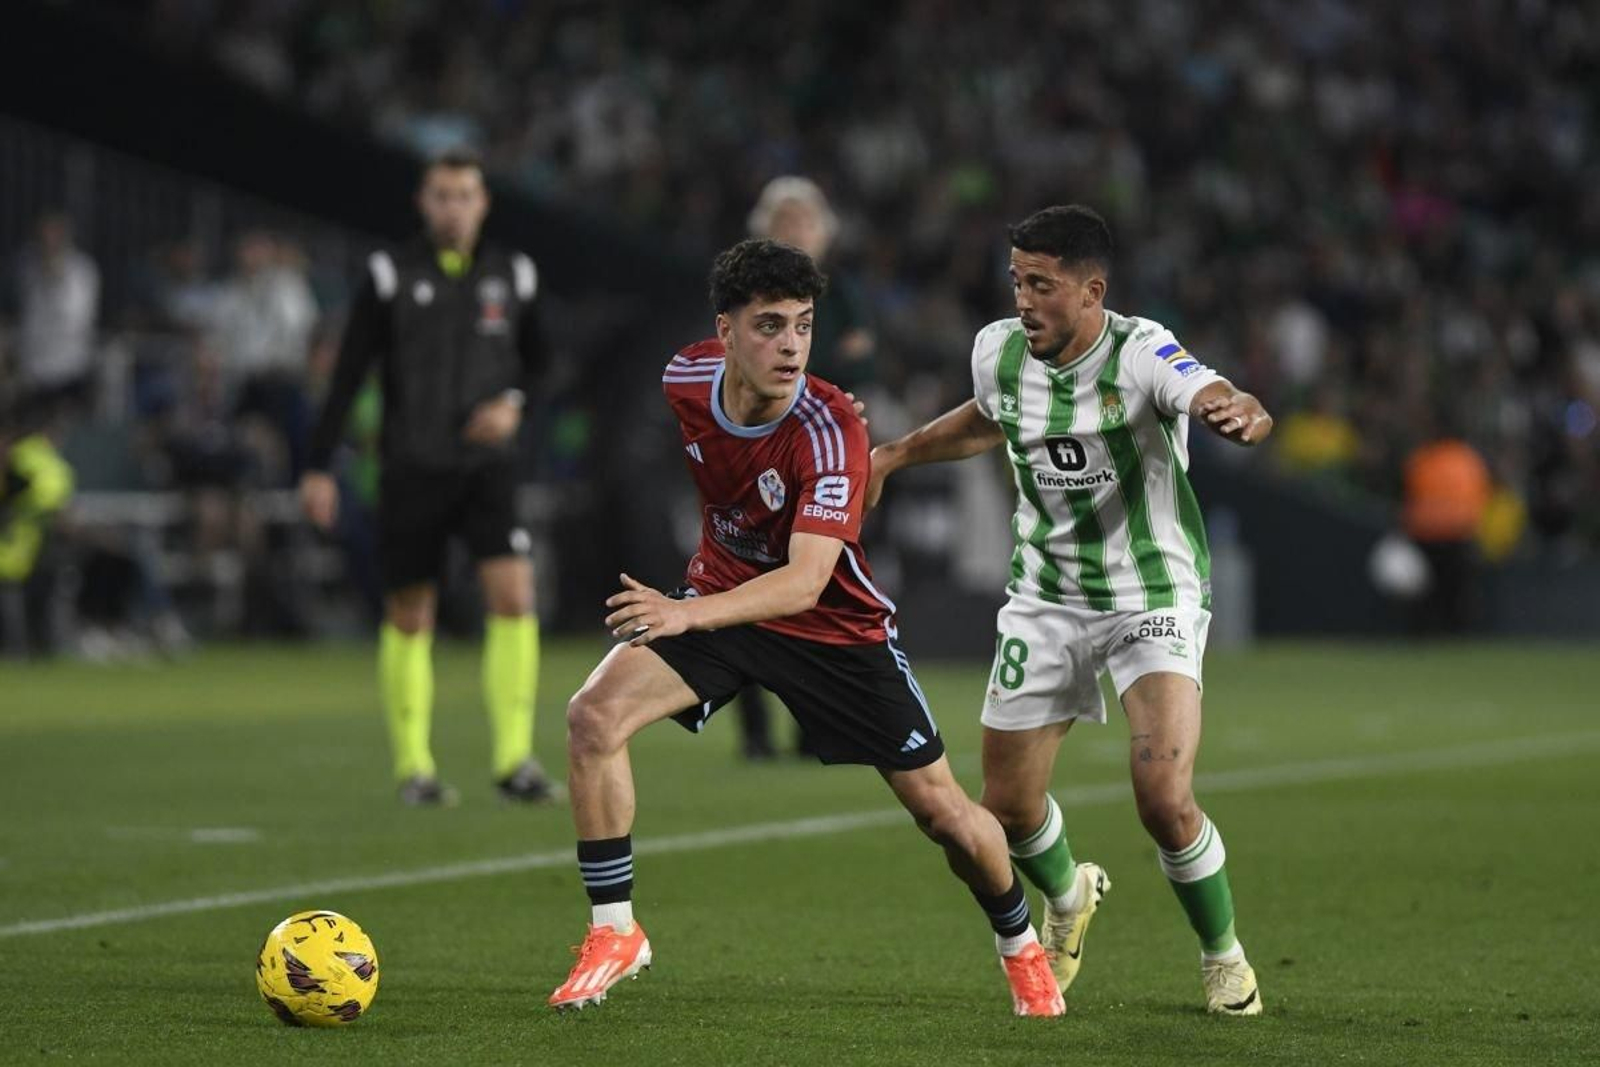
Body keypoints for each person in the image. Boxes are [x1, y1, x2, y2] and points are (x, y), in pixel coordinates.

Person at [547, 239, 1065, 1017]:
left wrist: (683, 610)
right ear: (725, 331)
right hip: (726, 602)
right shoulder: (684, 376)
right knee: (592, 716)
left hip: (833, 632)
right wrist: (697, 600)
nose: (790, 345)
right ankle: (615, 930)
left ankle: (1021, 944)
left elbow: (805, 581)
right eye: (769, 326)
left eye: (803, 325)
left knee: (946, 815)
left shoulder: (831, 431)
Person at [867, 205, 1274, 1016]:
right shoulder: (998, 350)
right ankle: (1067, 897)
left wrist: (1243, 409)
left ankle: (1222, 954)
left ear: (1093, 292)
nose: (1024, 299)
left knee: (1162, 794)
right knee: (1007, 807)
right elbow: (989, 418)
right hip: (1045, 597)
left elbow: (1210, 388)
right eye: (1017, 280)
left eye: (1043, 284)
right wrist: (898, 452)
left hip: (1150, 594)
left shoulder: (1140, 350)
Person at [300, 149, 555, 806]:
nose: (453, 207)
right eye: (441, 195)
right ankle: (414, 767)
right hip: (412, 466)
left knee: (514, 596)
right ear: (422, 201)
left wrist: (513, 404)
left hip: (486, 468)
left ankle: (515, 759)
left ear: (483, 202)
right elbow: (349, 373)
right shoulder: (389, 275)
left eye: (464, 194)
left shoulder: (514, 274)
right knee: (411, 613)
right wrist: (317, 463)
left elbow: (544, 364)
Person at [731, 176, 879, 760]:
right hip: (751, 451)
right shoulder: (738, 295)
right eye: (784, 220)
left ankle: (810, 723)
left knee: (815, 589)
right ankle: (754, 730)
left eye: (805, 221)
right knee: (741, 583)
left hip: (824, 455)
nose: (795, 231)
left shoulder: (841, 294)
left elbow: (862, 365)